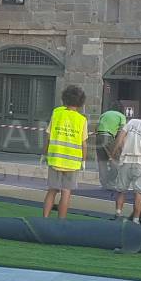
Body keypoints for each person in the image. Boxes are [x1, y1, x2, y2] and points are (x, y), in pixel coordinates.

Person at [42, 85, 88, 219]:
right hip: (72, 162)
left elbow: (48, 136)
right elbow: (83, 143)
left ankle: (45, 218)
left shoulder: (56, 113)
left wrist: (44, 153)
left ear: (64, 99)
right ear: (81, 102)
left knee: (52, 190)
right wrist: (83, 160)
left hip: (55, 158)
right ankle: (61, 222)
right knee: (66, 192)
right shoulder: (82, 120)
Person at [95, 101, 127, 191]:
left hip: (98, 137)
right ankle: (111, 182)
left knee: (102, 162)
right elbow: (121, 134)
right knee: (116, 161)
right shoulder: (121, 116)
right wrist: (122, 147)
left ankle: (104, 184)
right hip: (108, 137)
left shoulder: (104, 114)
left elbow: (96, 128)